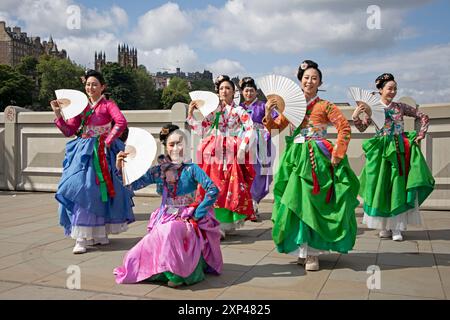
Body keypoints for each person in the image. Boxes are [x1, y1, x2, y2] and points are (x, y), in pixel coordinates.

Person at [263, 60, 359, 271]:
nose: (310, 81)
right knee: (296, 202)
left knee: (313, 202)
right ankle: (301, 249)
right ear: (300, 80)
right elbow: (276, 127)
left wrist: (338, 151)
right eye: (306, 78)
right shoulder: (290, 106)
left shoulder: (325, 106)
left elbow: (344, 127)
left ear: (320, 82)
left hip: (318, 156)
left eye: (314, 78)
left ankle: (313, 253)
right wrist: (269, 113)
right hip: (296, 157)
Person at [114, 124, 222, 287]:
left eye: (180, 143)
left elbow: (213, 190)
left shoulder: (191, 169)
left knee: (170, 230)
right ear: (165, 146)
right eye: (171, 144)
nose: (176, 148)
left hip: (187, 216)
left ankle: (177, 274)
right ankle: (164, 270)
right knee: (133, 257)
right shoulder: (158, 171)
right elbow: (132, 185)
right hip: (165, 215)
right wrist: (120, 169)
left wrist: (197, 213)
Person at [50, 69, 135, 254]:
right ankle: (81, 236)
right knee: (82, 188)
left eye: (95, 84)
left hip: (104, 151)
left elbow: (121, 122)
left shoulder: (108, 105)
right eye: (88, 84)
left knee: (103, 190)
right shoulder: (80, 106)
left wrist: (108, 141)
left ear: (102, 87)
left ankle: (98, 232)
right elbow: (69, 131)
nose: (91, 87)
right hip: (85, 150)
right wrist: (58, 115)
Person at [353, 73, 435, 241]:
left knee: (397, 186)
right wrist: (356, 116)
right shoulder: (373, 108)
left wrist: (421, 134)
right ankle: (384, 225)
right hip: (381, 151)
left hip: (399, 148)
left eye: (395, 88)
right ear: (380, 90)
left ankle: (397, 227)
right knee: (381, 186)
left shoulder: (401, 107)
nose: (393, 91)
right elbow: (362, 128)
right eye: (389, 88)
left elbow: (423, 117)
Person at [187, 75, 256, 238]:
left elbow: (250, 128)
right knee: (212, 185)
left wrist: (243, 147)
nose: (224, 91)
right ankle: (213, 221)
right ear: (217, 91)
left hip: (231, 151)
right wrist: (191, 114)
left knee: (228, 187)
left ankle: (224, 223)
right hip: (213, 151)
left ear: (233, 92)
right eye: (221, 88)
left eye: (228, 88)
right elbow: (203, 130)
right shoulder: (213, 111)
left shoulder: (239, 110)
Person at [239, 77, 275, 218]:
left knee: (259, 172)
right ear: (242, 92)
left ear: (256, 92)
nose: (249, 93)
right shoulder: (239, 108)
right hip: (242, 142)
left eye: (252, 90)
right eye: (246, 90)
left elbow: (274, 121)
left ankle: (254, 202)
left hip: (260, 142)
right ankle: (245, 205)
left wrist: (267, 114)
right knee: (243, 172)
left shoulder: (262, 105)